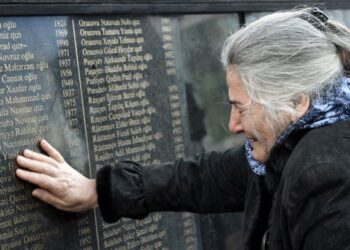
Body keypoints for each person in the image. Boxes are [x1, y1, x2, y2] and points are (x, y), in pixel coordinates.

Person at [15, 7, 350, 250]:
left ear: (296, 102)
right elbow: (205, 178)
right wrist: (98, 191)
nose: (233, 124)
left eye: (240, 107)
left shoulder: (326, 176)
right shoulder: (292, 145)